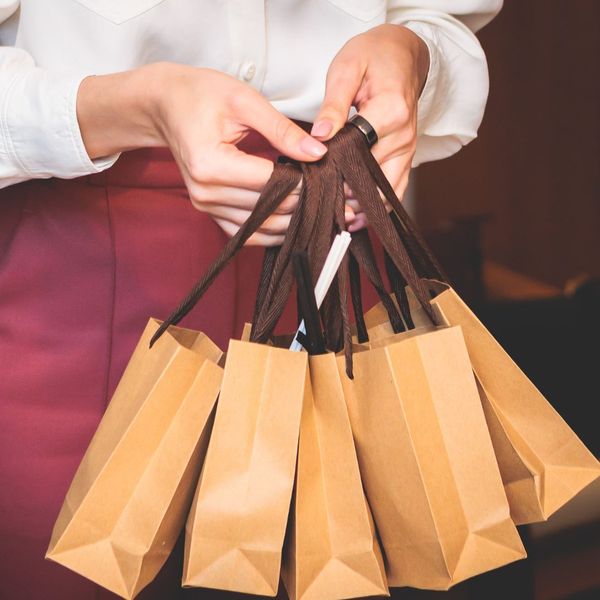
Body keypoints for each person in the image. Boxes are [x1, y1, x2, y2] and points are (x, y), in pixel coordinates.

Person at [0, 1, 502, 598]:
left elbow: (444, 18)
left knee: (350, 556)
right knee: (82, 567)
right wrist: (137, 105)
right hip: (89, 278)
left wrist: (413, 53)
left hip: (336, 261)